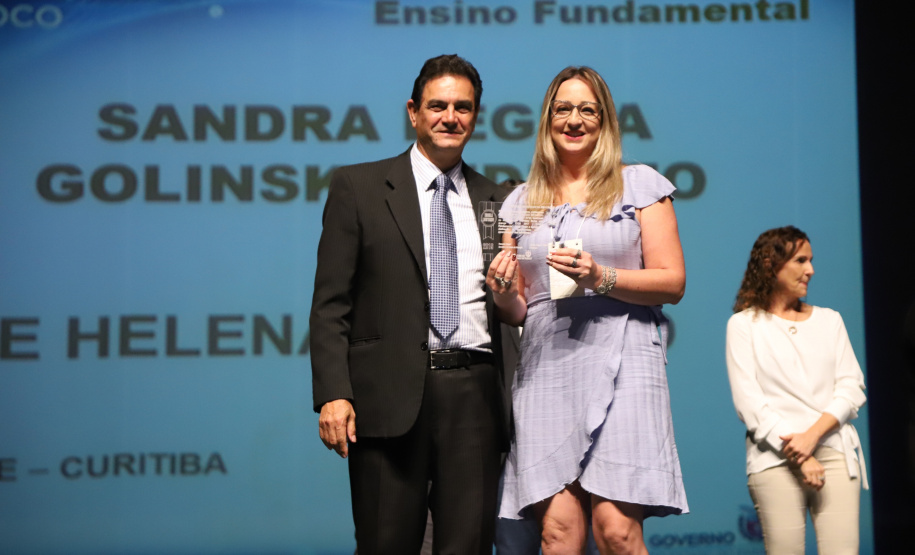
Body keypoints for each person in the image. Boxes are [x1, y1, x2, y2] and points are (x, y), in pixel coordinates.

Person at [310, 54, 509, 554]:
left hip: (475, 399)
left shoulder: (499, 200)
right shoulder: (357, 187)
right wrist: (334, 393)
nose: (450, 116)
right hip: (386, 399)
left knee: (468, 546)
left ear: (476, 116)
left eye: (463, 107)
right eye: (438, 105)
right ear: (413, 112)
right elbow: (330, 305)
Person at [488, 66, 688, 555]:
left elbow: (673, 282)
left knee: (615, 531)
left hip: (626, 361)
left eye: (587, 110)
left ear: (605, 121)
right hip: (547, 370)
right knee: (558, 535)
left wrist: (600, 277)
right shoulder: (519, 203)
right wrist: (500, 292)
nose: (574, 120)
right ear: (547, 119)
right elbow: (520, 308)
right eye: (563, 109)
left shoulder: (639, 185)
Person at [725, 225, 868, 554]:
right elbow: (750, 404)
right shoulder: (744, 325)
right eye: (801, 260)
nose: (811, 270)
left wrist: (810, 437)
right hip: (773, 459)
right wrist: (800, 455)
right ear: (771, 264)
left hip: (833, 452)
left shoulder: (830, 320)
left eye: (811, 260)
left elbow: (851, 386)